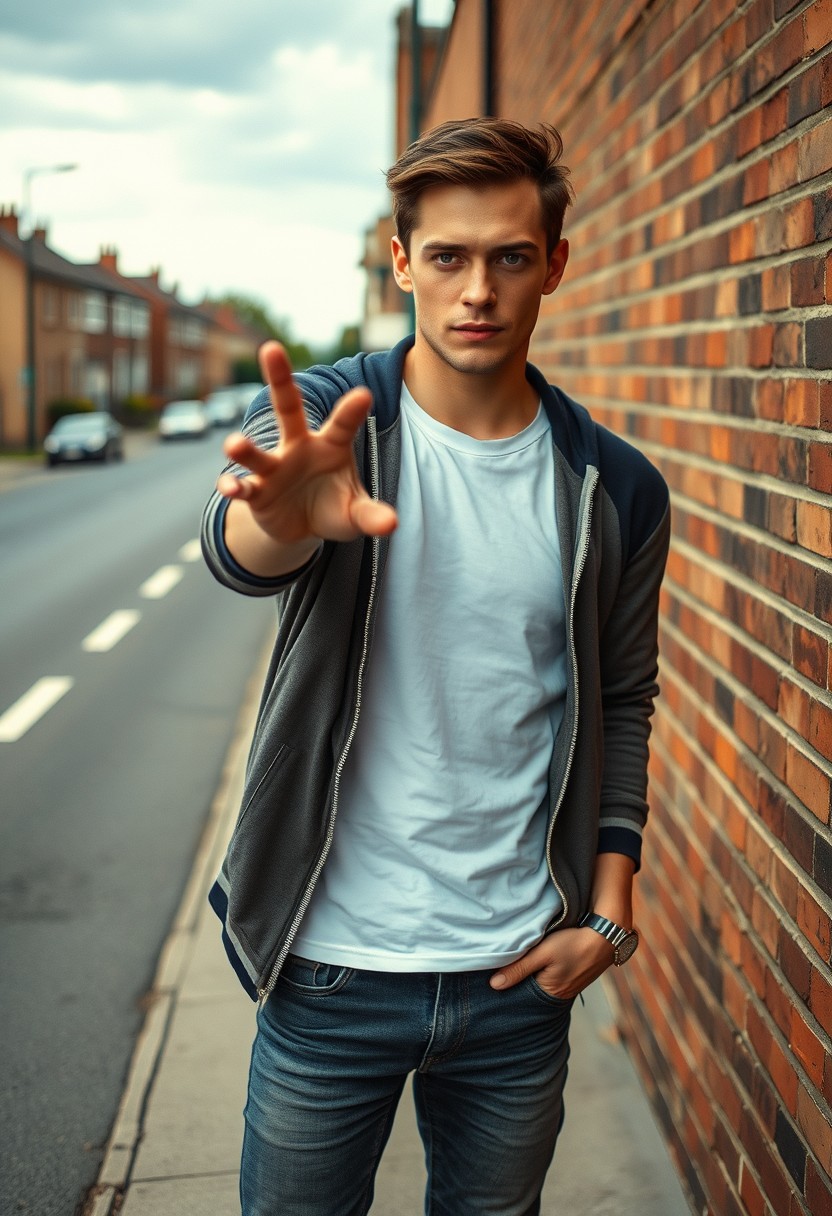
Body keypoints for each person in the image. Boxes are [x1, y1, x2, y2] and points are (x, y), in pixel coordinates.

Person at [202, 117, 670, 1216]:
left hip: (518, 977)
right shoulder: (333, 422)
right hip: (331, 968)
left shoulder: (617, 487)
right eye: (447, 257)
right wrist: (287, 519)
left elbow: (620, 696)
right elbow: (240, 555)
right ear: (401, 260)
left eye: (510, 256)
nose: (478, 290)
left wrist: (605, 911)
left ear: (553, 264)